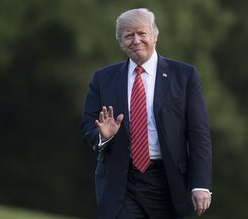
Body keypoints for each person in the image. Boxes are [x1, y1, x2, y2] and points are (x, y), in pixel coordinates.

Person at [80, 8, 212, 219]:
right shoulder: (103, 79)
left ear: (155, 35)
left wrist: (201, 184)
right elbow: (88, 123)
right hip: (121, 181)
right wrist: (102, 137)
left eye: (142, 33)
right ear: (121, 42)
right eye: (128, 36)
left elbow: (199, 134)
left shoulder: (184, 76)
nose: (136, 40)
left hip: (167, 180)